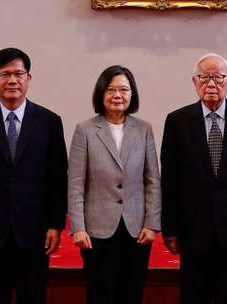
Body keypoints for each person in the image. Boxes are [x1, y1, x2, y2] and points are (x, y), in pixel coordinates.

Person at [0, 47, 68, 304]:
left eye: (19, 73)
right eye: (4, 74)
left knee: (33, 296)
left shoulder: (49, 122)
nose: (12, 80)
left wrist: (55, 224)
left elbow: (57, 178)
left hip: (35, 230)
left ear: (29, 78)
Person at [160, 53, 227, 303]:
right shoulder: (177, 121)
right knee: (194, 296)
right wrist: (170, 230)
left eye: (218, 78)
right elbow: (170, 179)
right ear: (194, 81)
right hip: (193, 231)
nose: (211, 84)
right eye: (204, 78)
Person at [67, 65, 161, 304]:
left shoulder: (143, 129)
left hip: (136, 230)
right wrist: (77, 227)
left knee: (132, 293)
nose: (117, 95)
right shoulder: (85, 130)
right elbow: (76, 182)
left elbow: (152, 181)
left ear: (132, 94)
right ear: (101, 93)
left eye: (123, 89)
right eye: (110, 89)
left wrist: (152, 224)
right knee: (101, 294)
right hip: (96, 229)